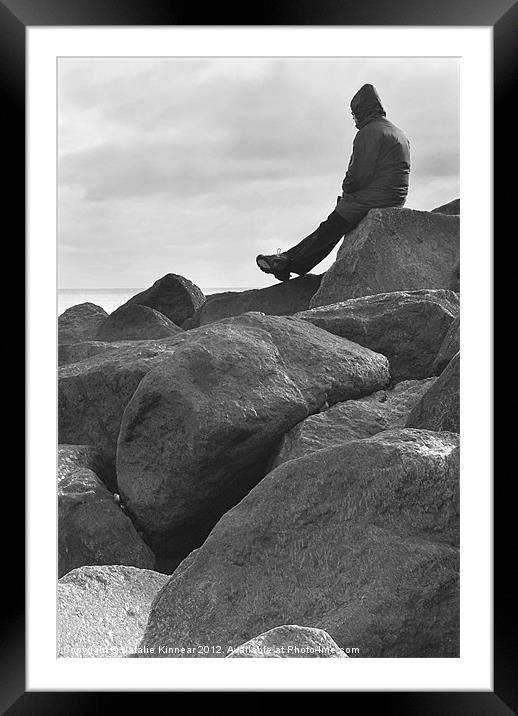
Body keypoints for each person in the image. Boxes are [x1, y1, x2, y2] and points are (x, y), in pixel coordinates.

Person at [256, 83, 411, 281]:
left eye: (354, 113)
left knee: (329, 228)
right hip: (395, 197)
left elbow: (358, 175)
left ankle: (285, 263)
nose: (354, 118)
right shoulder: (399, 133)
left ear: (361, 110)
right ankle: (286, 259)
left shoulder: (369, 133)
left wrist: (347, 189)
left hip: (373, 199)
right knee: (331, 226)